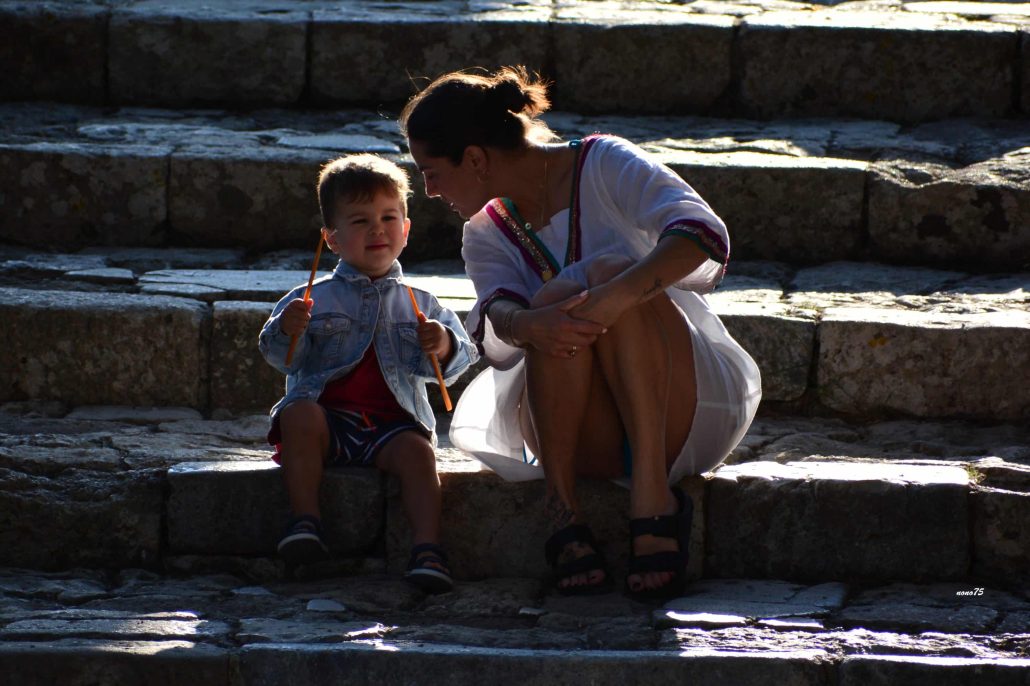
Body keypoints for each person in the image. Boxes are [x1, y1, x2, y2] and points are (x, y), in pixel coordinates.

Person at [400, 67, 761, 598]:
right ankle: (562, 505)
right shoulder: (484, 232)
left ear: (475, 159)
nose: (429, 191)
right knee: (549, 308)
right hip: (578, 433)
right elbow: (497, 316)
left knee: (602, 274)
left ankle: (652, 497)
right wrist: (530, 322)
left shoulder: (604, 162)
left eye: (431, 172)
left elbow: (703, 234)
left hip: (680, 415)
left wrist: (615, 297)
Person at [258, 154, 478, 594]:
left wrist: (444, 345)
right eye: (360, 221)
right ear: (332, 239)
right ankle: (305, 520)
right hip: (327, 423)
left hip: (392, 426)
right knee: (298, 413)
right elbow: (282, 358)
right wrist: (287, 329)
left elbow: (461, 359)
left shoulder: (423, 302)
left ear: (406, 229)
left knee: (419, 453)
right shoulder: (310, 298)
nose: (378, 229)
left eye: (388, 217)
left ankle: (428, 547)